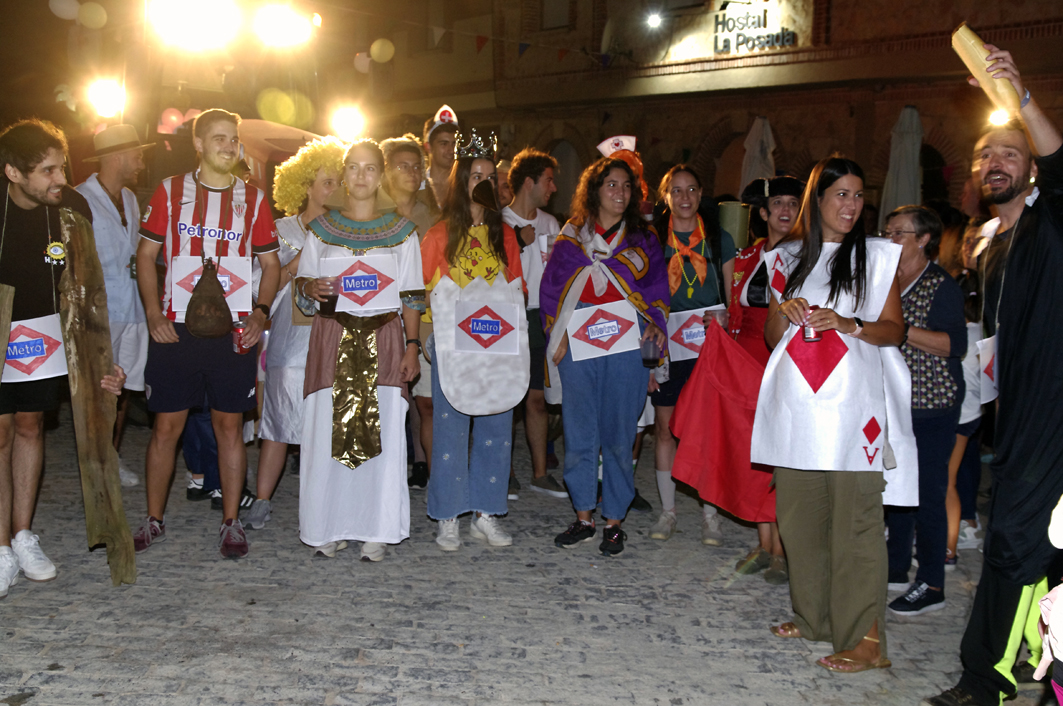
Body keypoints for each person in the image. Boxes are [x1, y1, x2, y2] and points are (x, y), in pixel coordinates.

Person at [923, 45, 1063, 706]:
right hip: (1017, 417)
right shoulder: (991, 244)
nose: (992, 162)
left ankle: (988, 681)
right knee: (1039, 548)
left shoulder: (1051, 224)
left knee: (1012, 544)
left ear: (1031, 166)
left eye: (1008, 151)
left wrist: (1020, 96)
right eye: (983, 156)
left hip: (1052, 417)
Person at [753, 156, 916, 673]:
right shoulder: (788, 259)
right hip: (797, 411)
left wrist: (851, 323)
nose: (851, 205)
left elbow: (895, 329)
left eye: (858, 195)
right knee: (800, 521)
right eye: (840, 194)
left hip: (853, 413)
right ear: (817, 200)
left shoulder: (876, 258)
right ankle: (814, 616)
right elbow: (771, 339)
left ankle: (866, 640)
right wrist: (786, 312)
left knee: (856, 527)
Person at [134, 109, 281, 559]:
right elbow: (144, 256)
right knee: (166, 427)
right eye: (218, 138)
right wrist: (154, 314)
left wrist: (260, 313)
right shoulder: (170, 191)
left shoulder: (253, 198)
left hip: (233, 328)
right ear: (198, 144)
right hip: (176, 328)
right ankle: (153, 519)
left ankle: (231, 522)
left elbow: (270, 265)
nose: (228, 146)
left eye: (233, 139)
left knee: (229, 426)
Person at [0, 118, 126, 597]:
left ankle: (23, 535)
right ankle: (1, 551)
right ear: (14, 174)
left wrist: (101, 358)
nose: (60, 179)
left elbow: (90, 289)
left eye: (62, 167)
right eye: (48, 171)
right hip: (1, 331)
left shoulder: (73, 208)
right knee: (1, 432)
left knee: (30, 425)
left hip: (46, 337)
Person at [294, 138, 423, 561]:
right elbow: (304, 291)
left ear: (380, 174)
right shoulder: (321, 230)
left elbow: (412, 295)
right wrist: (309, 287)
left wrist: (412, 346)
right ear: (344, 174)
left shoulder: (402, 233)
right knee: (325, 429)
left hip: (384, 339)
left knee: (383, 432)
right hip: (332, 339)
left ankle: (376, 527)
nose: (362, 176)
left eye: (371, 168)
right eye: (354, 168)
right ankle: (328, 525)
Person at [673, 176, 803, 584]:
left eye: (792, 205)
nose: (785, 211)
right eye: (777, 204)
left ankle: (782, 549)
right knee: (754, 457)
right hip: (744, 365)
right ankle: (765, 545)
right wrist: (721, 326)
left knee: (781, 457)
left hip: (785, 363)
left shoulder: (810, 260)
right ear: (762, 214)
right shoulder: (746, 257)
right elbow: (734, 310)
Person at [541, 157, 669, 557]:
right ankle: (583, 516)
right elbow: (551, 292)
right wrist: (555, 336)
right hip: (579, 346)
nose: (620, 193)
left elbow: (658, 290)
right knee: (579, 435)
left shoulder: (643, 240)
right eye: (612, 185)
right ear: (594, 190)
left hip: (627, 348)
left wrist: (656, 327)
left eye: (627, 186)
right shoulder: (569, 240)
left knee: (619, 435)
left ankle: (614, 521)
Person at [421, 130, 525, 552]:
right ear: (461, 184)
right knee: (449, 431)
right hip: (452, 347)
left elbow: (518, 293)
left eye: (489, 175)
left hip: (497, 346)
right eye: (474, 175)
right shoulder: (438, 236)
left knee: (497, 429)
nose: (482, 182)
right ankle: (448, 516)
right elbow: (424, 295)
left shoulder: (508, 237)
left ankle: (487, 512)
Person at [242, 137, 346, 532]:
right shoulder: (281, 230)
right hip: (289, 339)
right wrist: (298, 264)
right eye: (326, 182)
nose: (334, 189)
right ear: (304, 185)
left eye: (339, 182)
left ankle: (327, 502)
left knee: (330, 424)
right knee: (279, 422)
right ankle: (263, 500)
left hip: (333, 337)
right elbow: (256, 285)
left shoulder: (346, 230)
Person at [882, 205, 967, 617]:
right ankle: (896, 566)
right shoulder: (888, 282)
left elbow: (954, 345)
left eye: (899, 233)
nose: (890, 239)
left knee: (929, 496)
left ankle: (932, 582)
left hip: (932, 406)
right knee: (896, 492)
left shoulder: (940, 286)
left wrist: (898, 330)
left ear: (923, 239)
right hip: (896, 404)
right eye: (888, 231)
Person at [646, 165, 735, 546]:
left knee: (707, 429)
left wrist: (727, 319)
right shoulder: (652, 241)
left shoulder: (718, 239)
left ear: (701, 194)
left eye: (692, 190)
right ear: (665, 197)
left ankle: (710, 514)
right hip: (667, 345)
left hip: (707, 345)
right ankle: (668, 512)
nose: (684, 198)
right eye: (676, 191)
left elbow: (733, 298)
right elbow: (643, 298)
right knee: (665, 429)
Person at [75, 124, 152, 488]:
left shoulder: (132, 199)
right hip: (99, 314)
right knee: (97, 390)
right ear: (117, 157)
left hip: (132, 309)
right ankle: (95, 463)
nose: (141, 162)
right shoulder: (79, 200)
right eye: (137, 154)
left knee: (124, 390)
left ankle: (112, 456)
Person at [501, 147, 566, 499]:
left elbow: (555, 275)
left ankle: (540, 473)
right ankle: (504, 470)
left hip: (541, 316)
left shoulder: (550, 223)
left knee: (537, 398)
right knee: (508, 397)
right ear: (529, 182)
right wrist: (514, 241)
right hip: (509, 316)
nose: (553, 188)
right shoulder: (500, 222)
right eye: (548, 180)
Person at [381, 133, 437, 490]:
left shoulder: (430, 218)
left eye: (418, 167)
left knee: (423, 398)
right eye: (404, 166)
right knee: (388, 395)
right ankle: (388, 468)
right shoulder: (372, 212)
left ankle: (425, 465)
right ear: (386, 171)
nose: (413, 173)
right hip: (381, 314)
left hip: (423, 313)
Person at [421, 105, 459, 212]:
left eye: (454, 144)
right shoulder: (418, 185)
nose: (451, 150)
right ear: (428, 147)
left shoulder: (465, 185)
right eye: (444, 144)